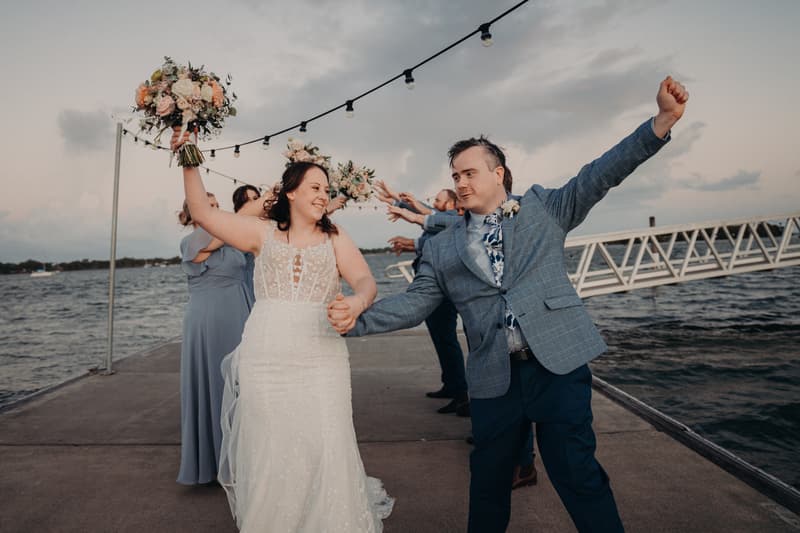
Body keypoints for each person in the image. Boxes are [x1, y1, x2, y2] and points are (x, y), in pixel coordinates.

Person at [329, 76, 688, 532]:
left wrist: (661, 121)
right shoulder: (442, 245)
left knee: (577, 474)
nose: (460, 182)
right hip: (493, 377)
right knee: (488, 482)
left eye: (469, 172)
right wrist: (352, 318)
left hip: (556, 364)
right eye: (455, 175)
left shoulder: (542, 208)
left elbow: (600, 174)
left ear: (497, 174)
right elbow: (415, 303)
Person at [174, 128, 393, 531]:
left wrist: (357, 304)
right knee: (271, 448)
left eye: (326, 189)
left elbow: (366, 282)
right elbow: (203, 214)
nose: (323, 195)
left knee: (327, 442)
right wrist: (189, 158)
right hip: (266, 357)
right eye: (314, 187)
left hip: (322, 356)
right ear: (290, 192)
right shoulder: (261, 235)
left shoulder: (335, 237)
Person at [177, 192, 255, 486]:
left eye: (215, 206)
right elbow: (228, 231)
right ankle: (214, 462)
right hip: (208, 320)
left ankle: (244, 456)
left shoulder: (234, 241)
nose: (213, 211)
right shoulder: (192, 242)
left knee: (242, 384)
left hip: (240, 312)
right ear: (194, 214)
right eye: (206, 207)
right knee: (215, 383)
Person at [379, 185, 470, 415]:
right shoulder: (442, 215)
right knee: (441, 337)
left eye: (439, 200)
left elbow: (431, 218)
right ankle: (450, 384)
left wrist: (412, 242)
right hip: (433, 283)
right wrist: (396, 199)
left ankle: (461, 393)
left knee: (446, 339)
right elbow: (427, 212)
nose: (434, 203)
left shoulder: (452, 217)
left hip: (443, 287)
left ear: (451, 204)